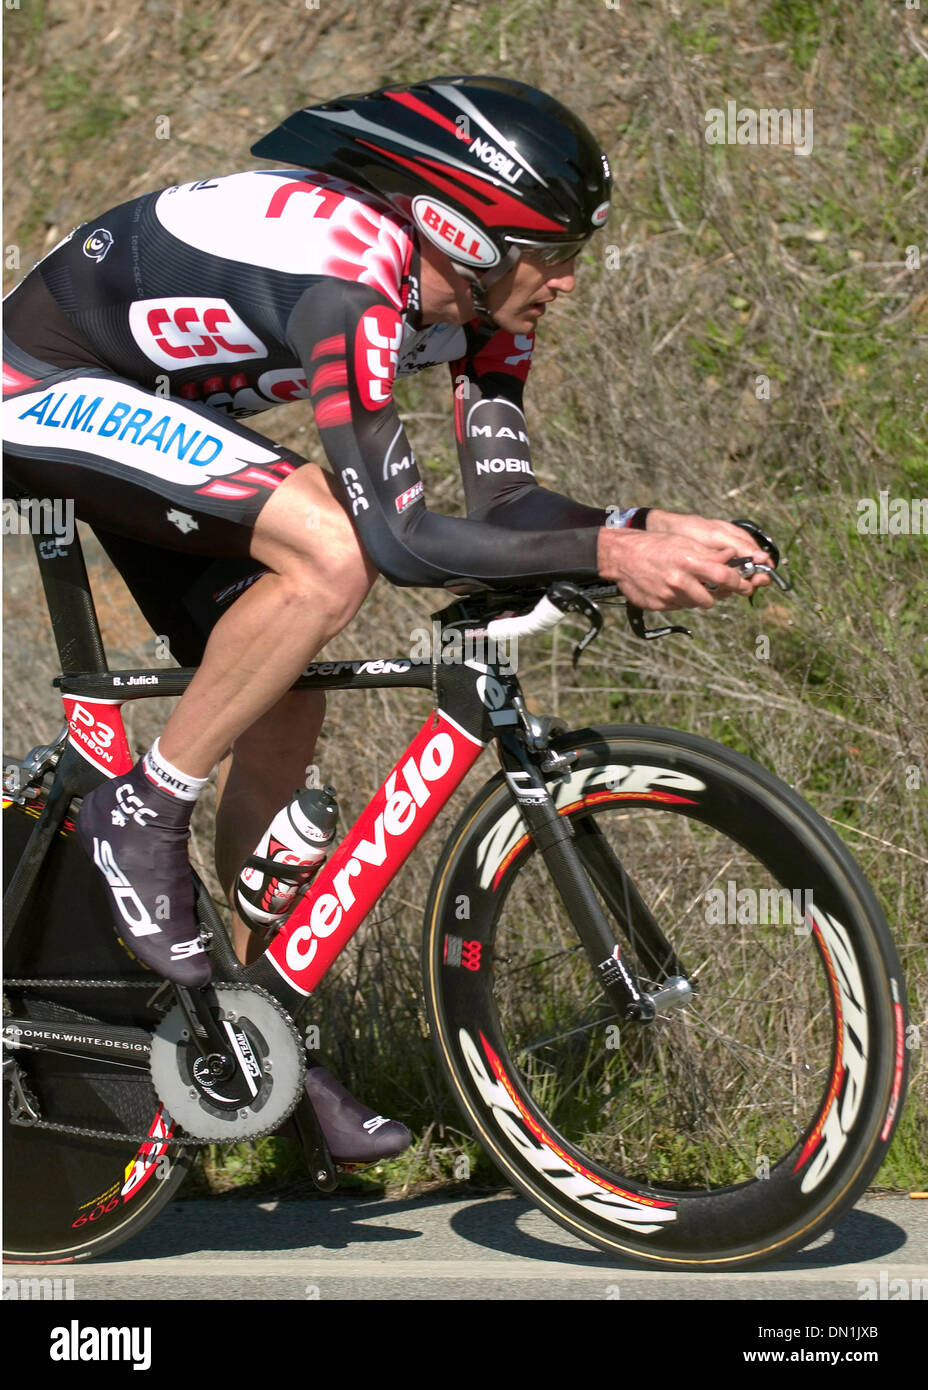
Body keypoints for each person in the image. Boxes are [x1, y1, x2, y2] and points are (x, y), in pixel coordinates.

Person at [1, 74, 771, 1161]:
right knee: (327, 551)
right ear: (460, 227)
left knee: (280, 705)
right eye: (548, 252)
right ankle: (144, 814)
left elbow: (504, 502)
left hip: (164, 412)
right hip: (39, 383)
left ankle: (262, 1038)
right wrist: (609, 551)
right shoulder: (351, 281)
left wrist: (642, 524)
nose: (563, 282)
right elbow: (400, 539)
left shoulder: (481, 306)